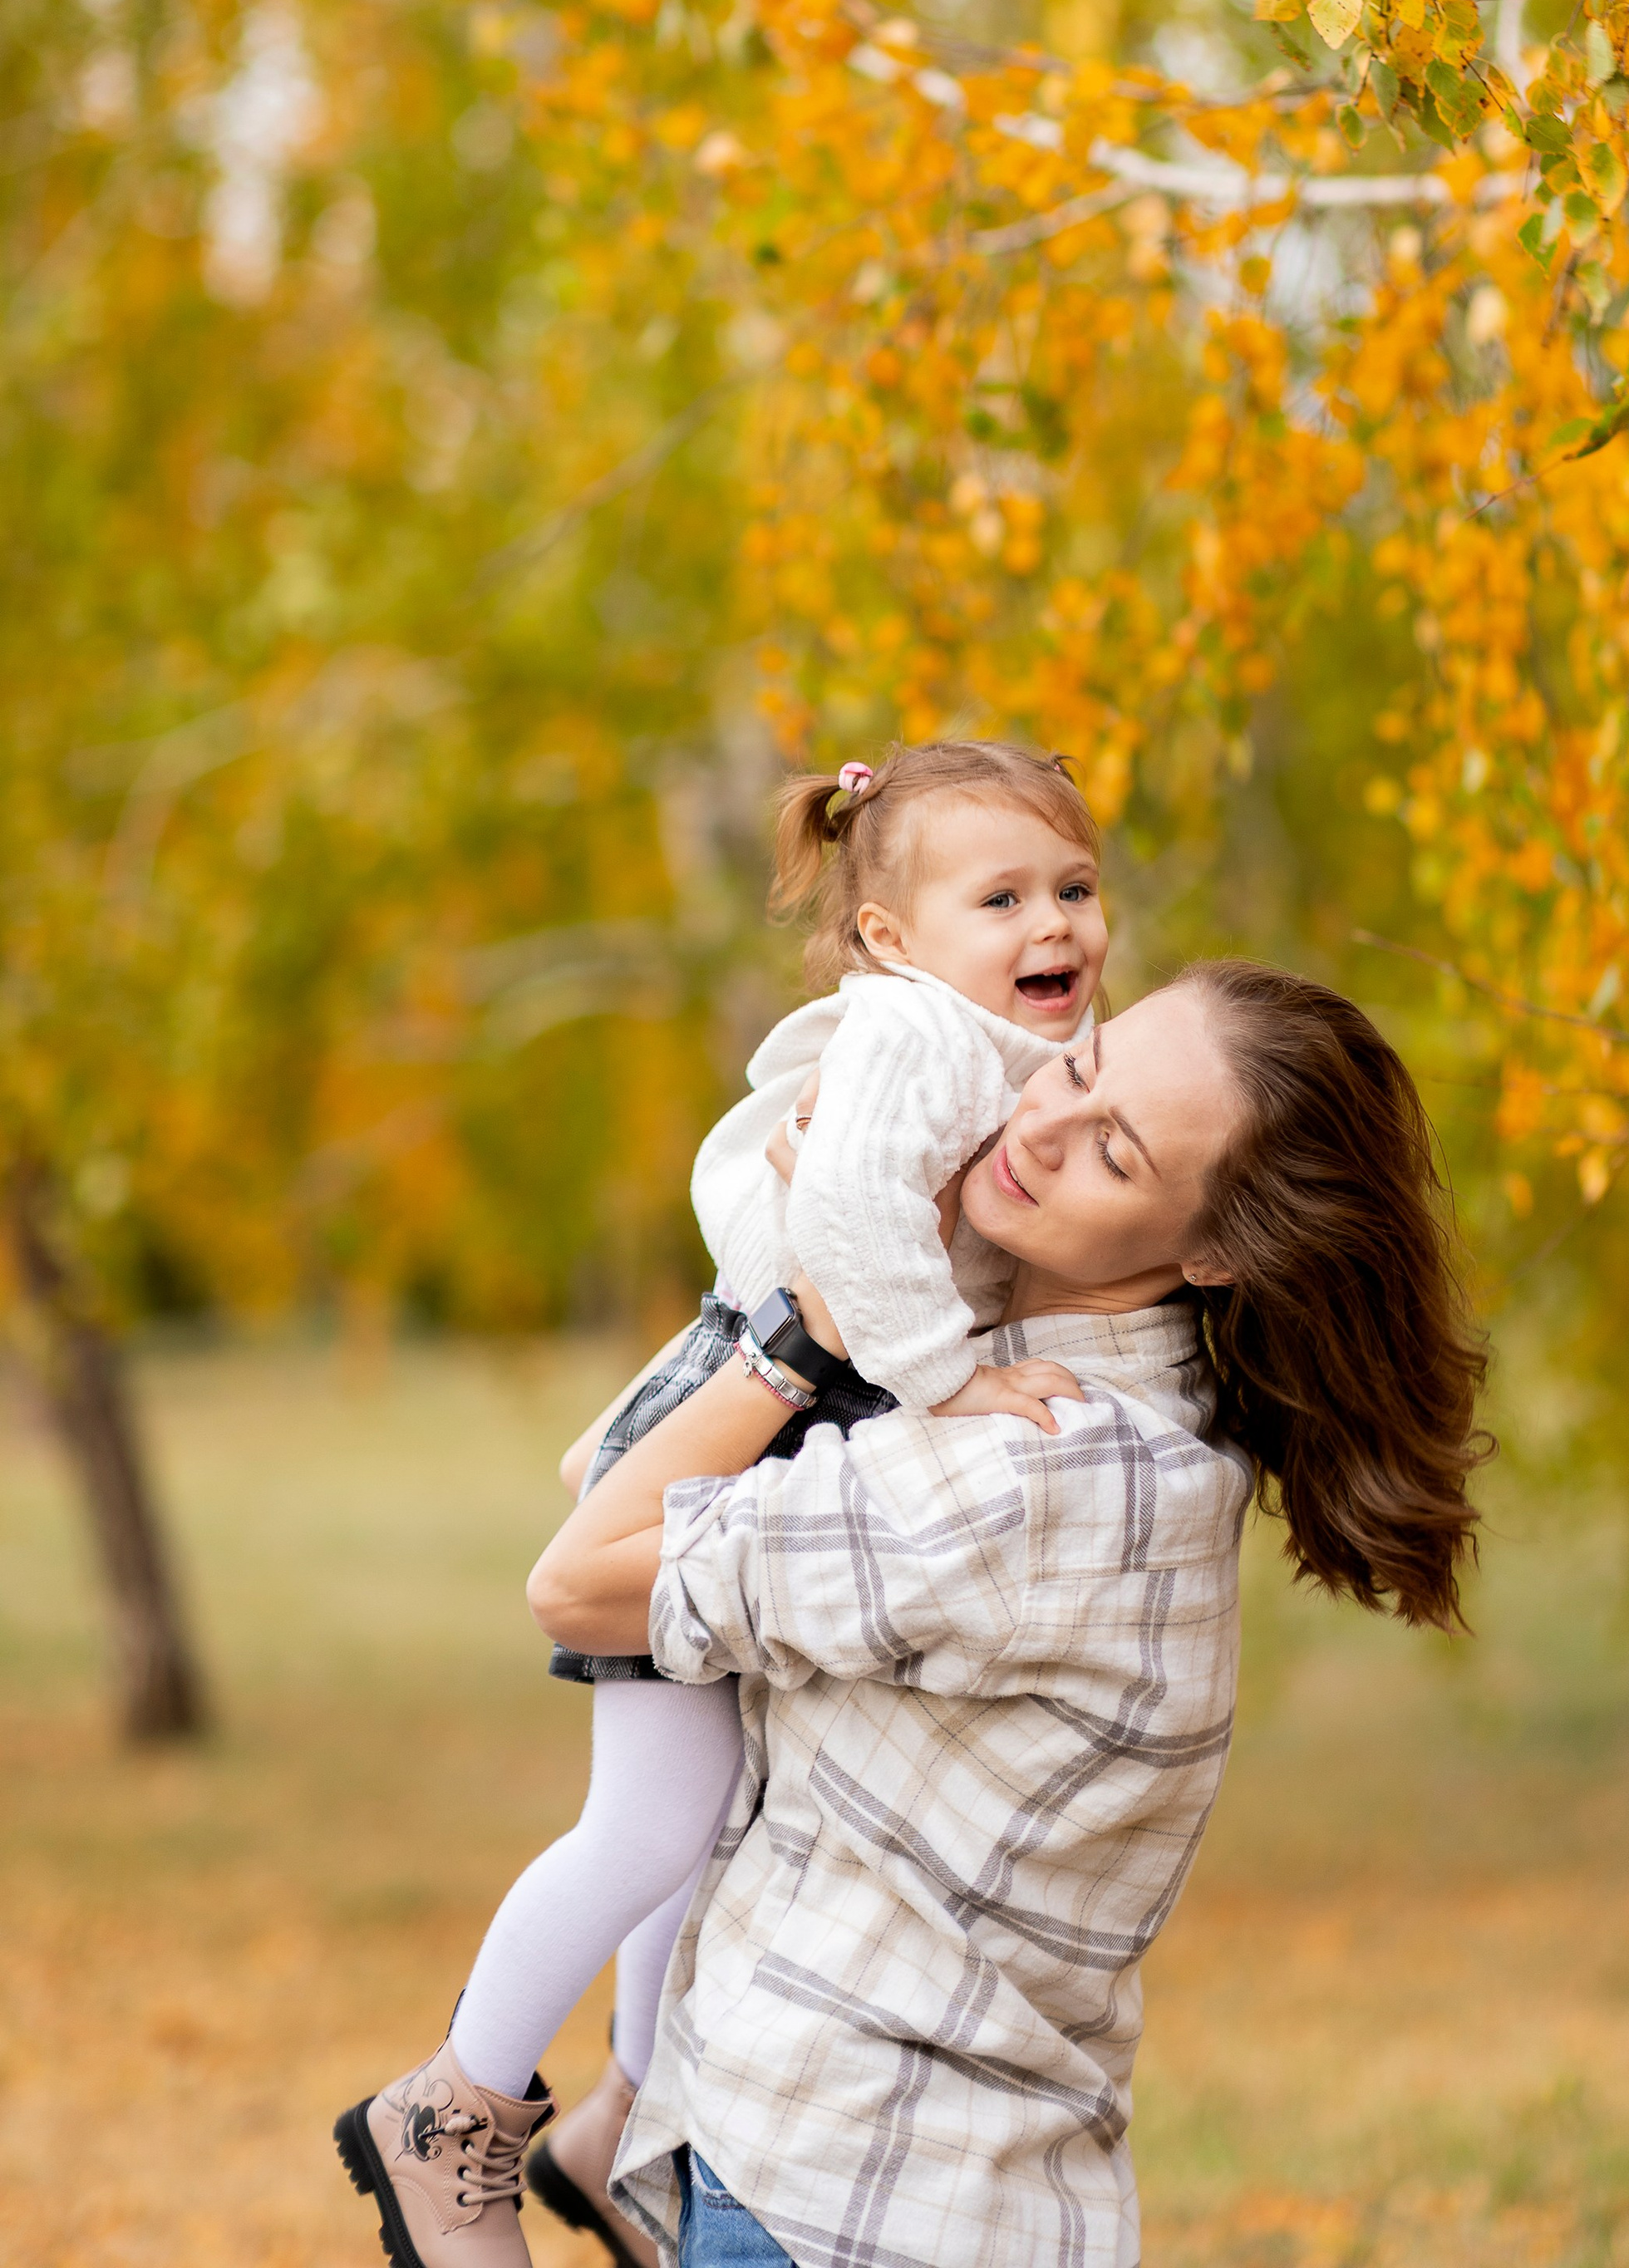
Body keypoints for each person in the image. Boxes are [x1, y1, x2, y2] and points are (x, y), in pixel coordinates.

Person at [528, 958, 1491, 2268]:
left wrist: (801, 1328)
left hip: (837, 2193)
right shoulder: (1032, 1389)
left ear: (1209, 1252)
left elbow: (579, 1579)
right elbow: (608, 1481)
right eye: (1082, 1068)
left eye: (1115, 1153)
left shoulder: (1039, 1471)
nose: (1040, 1124)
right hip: (923, 2186)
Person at [336, 742, 1110, 2268]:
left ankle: (621, 2112)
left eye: (1076, 889)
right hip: (753, 1425)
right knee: (653, 1819)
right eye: (1002, 896)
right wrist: (950, 1381)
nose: (1054, 928)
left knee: (703, 1819)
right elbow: (838, 1223)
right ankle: (450, 2115)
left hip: (767, 1419)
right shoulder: (919, 1040)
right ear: (892, 936)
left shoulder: (985, 1047)